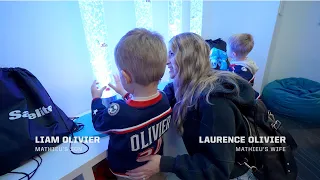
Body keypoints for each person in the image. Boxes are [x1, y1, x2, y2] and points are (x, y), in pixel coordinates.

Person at [125, 32, 257, 180]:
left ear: (188, 58)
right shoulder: (186, 85)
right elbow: (162, 100)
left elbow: (217, 169)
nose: (166, 61)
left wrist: (164, 163)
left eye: (172, 54)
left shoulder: (214, 102)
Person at [90, 28, 171, 180]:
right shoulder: (164, 99)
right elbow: (142, 109)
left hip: (129, 175)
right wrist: (125, 93)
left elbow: (98, 123)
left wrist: (96, 99)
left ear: (125, 77)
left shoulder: (119, 111)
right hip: (155, 169)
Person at [226, 33, 260, 99]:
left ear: (233, 54)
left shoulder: (237, 70)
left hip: (241, 97)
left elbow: (230, 87)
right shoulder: (248, 62)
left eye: (227, 49)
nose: (226, 50)